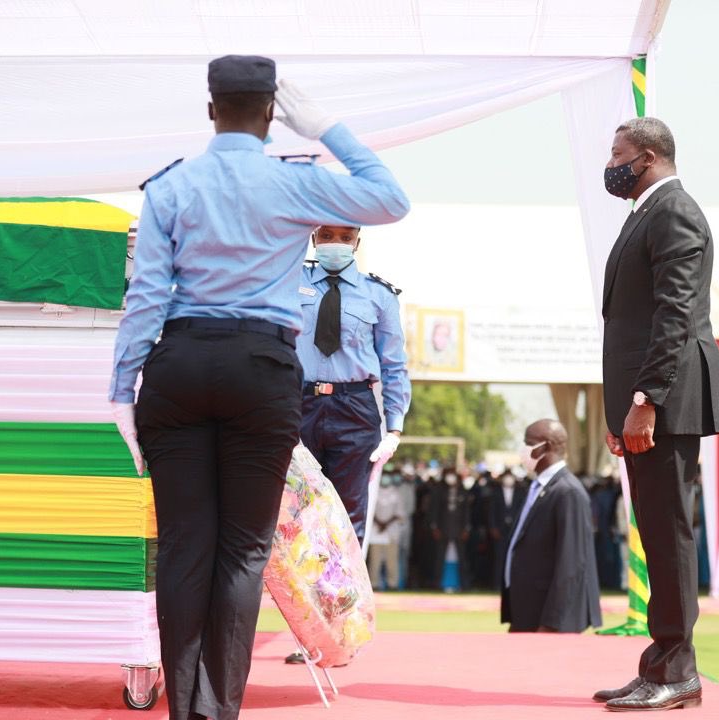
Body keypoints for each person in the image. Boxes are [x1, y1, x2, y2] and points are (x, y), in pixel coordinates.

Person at [108, 55, 409, 720]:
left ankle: (185, 711)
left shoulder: (172, 185)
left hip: (179, 364)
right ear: (273, 113)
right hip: (261, 370)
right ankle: (218, 711)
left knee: (183, 545)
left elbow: (147, 295)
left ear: (210, 110)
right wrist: (325, 128)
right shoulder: (295, 182)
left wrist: (121, 390)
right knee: (244, 552)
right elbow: (391, 200)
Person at [596, 117, 719, 711]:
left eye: (617, 154)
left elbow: (674, 315)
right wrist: (622, 406)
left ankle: (678, 671)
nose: (611, 164)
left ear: (647, 157)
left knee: (670, 534)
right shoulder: (646, 212)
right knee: (656, 532)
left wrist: (645, 400)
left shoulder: (673, 211)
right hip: (649, 400)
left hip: (667, 402)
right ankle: (660, 664)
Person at [296, 223, 411, 543]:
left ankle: (346, 578)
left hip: (354, 409)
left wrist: (394, 429)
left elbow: (394, 365)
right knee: (298, 509)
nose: (336, 243)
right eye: (327, 236)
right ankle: (303, 578)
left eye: (346, 237)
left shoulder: (379, 294)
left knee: (347, 515)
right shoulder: (290, 283)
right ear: (313, 238)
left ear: (357, 243)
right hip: (299, 405)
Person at [502, 419, 602, 633]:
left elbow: (571, 562)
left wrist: (551, 623)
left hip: (548, 617)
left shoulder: (567, 491)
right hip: (527, 609)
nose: (523, 450)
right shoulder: (539, 486)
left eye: (528, 443)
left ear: (545, 446)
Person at [366, 472, 406, 590]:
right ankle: (374, 584)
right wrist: (379, 522)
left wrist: (385, 523)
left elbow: (400, 513)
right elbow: (369, 509)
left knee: (391, 560)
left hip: (391, 531)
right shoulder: (373, 491)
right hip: (376, 531)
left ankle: (392, 584)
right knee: (375, 560)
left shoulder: (396, 493)